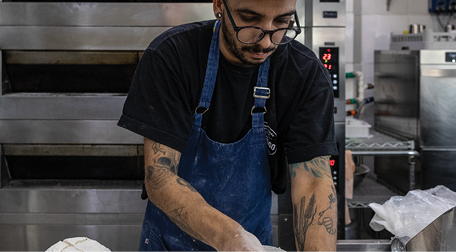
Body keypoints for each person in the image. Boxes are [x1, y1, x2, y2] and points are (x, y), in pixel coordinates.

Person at [117, 0, 338, 251]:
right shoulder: (173, 55)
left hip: (253, 244)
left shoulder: (304, 73)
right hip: (170, 244)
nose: (266, 42)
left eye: (282, 22)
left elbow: (313, 180)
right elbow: (159, 176)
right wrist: (231, 238)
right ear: (219, 5)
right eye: (250, 19)